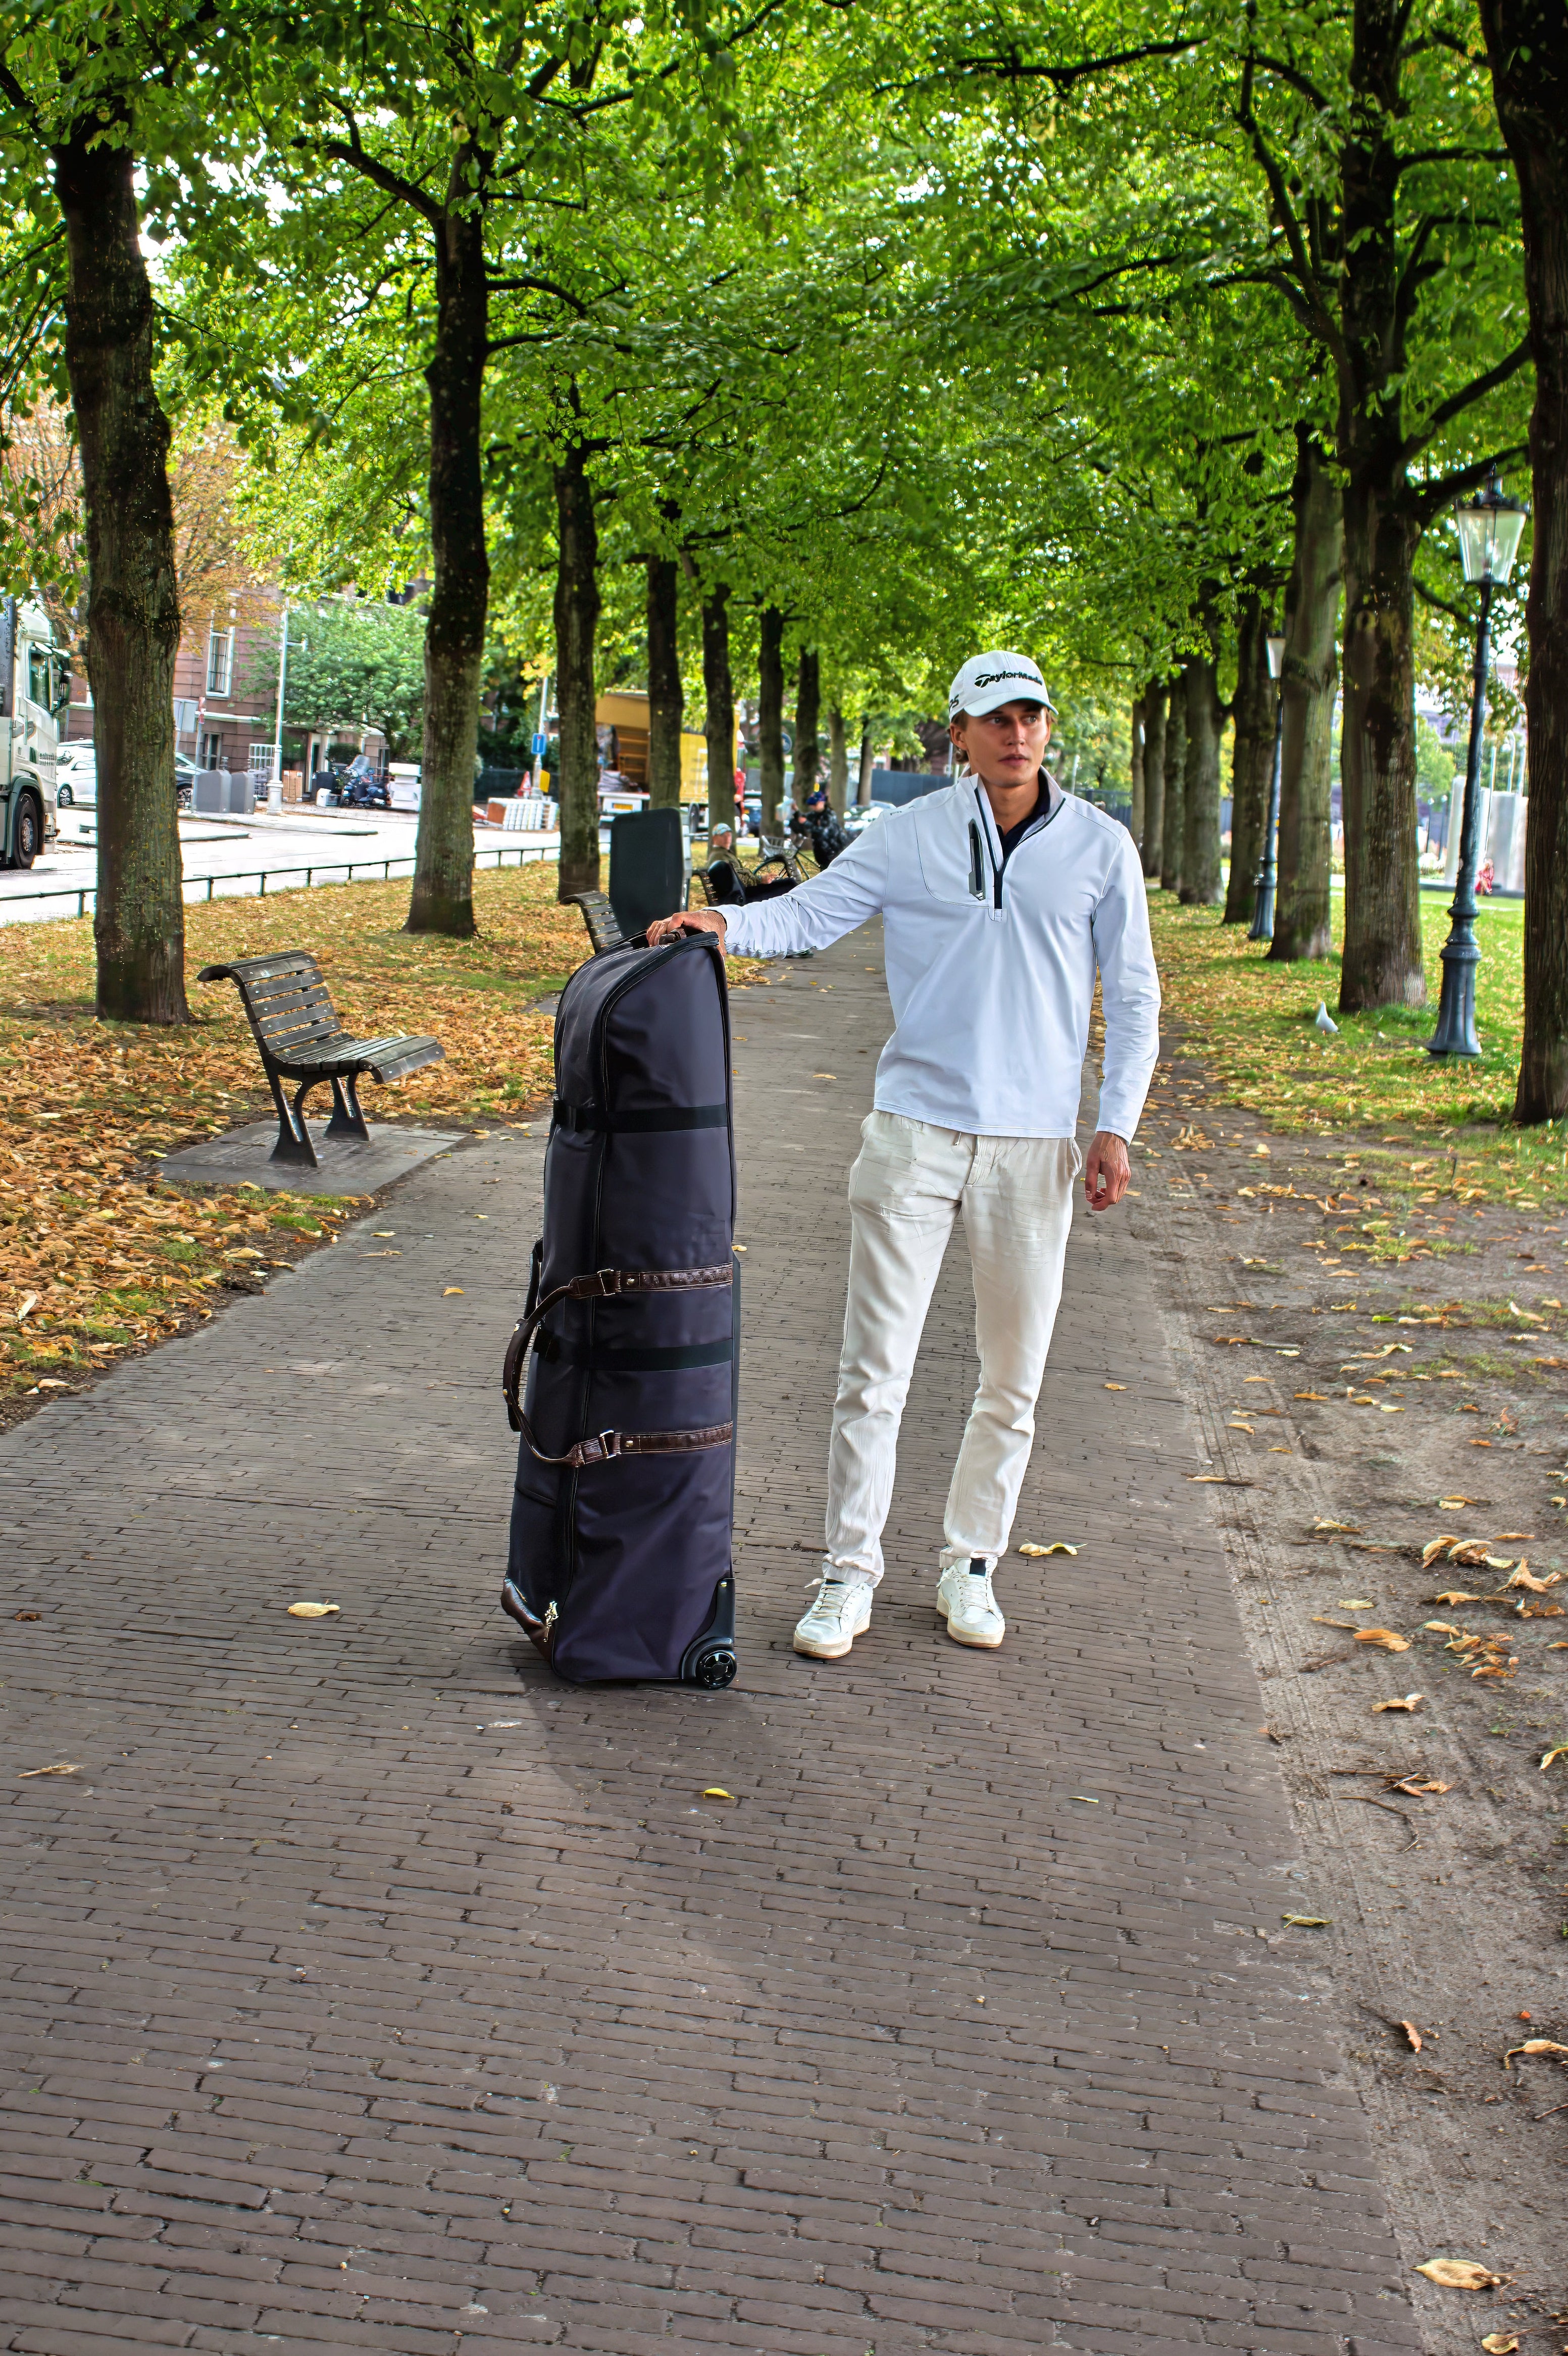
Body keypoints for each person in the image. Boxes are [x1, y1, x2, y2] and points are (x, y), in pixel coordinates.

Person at [648, 649, 1159, 1660]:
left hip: (1031, 1146)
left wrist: (1114, 1123)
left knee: (1010, 1377)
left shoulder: (1099, 847)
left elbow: (1133, 994)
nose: (1016, 733)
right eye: (994, 718)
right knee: (871, 1370)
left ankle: (970, 1562)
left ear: (1046, 728)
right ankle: (847, 1571)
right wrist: (723, 924)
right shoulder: (910, 835)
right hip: (913, 1131)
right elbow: (812, 913)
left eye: (1030, 715)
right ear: (958, 735)